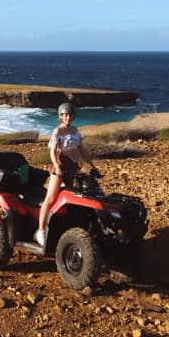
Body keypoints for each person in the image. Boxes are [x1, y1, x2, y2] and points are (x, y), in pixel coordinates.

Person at [35, 101, 97, 245]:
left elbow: (82, 150)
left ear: (73, 117)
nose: (67, 118)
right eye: (65, 115)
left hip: (72, 169)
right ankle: (41, 231)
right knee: (50, 199)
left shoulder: (75, 131)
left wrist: (93, 165)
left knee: (68, 198)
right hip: (60, 170)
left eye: (70, 115)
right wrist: (56, 166)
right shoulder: (58, 131)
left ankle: (61, 226)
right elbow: (52, 152)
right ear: (61, 117)